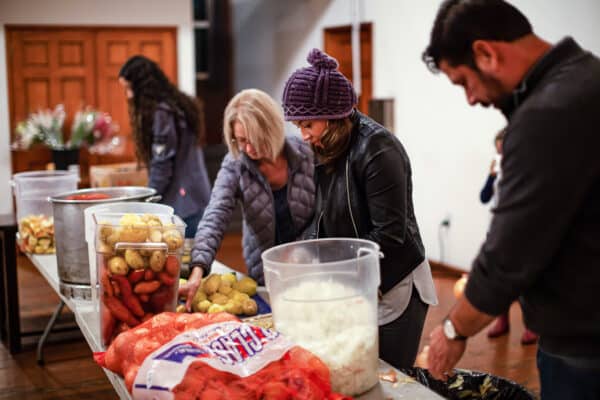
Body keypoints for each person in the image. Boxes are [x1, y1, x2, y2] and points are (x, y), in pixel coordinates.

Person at [422, 1, 600, 398]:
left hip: (583, 350)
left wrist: (453, 330)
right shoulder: (588, 76)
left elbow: (508, 257)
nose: (469, 99)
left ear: (486, 53)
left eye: (463, 82)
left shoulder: (547, 114)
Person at [282, 48, 438, 369]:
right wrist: (306, 252)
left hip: (394, 284)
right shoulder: (326, 146)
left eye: (308, 123)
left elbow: (390, 234)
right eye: (299, 125)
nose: (304, 134)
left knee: (390, 378)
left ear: (333, 115)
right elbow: (323, 212)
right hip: (357, 283)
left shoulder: (379, 150)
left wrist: (333, 274)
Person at [181, 89, 315, 310]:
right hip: (265, 274)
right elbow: (215, 216)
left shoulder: (306, 154)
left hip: (312, 268)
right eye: (242, 140)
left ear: (271, 129)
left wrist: (303, 251)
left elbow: (326, 211)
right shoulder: (235, 165)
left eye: (256, 140)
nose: (249, 149)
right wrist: (197, 271)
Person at [118, 55, 211, 238]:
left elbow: (163, 165)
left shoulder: (163, 114)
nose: (128, 95)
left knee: (185, 259)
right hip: (195, 195)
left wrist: (147, 200)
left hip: (184, 203)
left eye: (129, 88)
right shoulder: (178, 104)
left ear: (142, 86)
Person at [480, 128, 538, 345]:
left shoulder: (525, 169)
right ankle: (502, 321)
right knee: (498, 278)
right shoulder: (496, 170)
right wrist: (491, 176)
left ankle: (532, 326)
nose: (502, 154)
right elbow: (484, 197)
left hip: (522, 232)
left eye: (504, 150)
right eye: (498, 150)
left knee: (525, 282)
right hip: (497, 230)